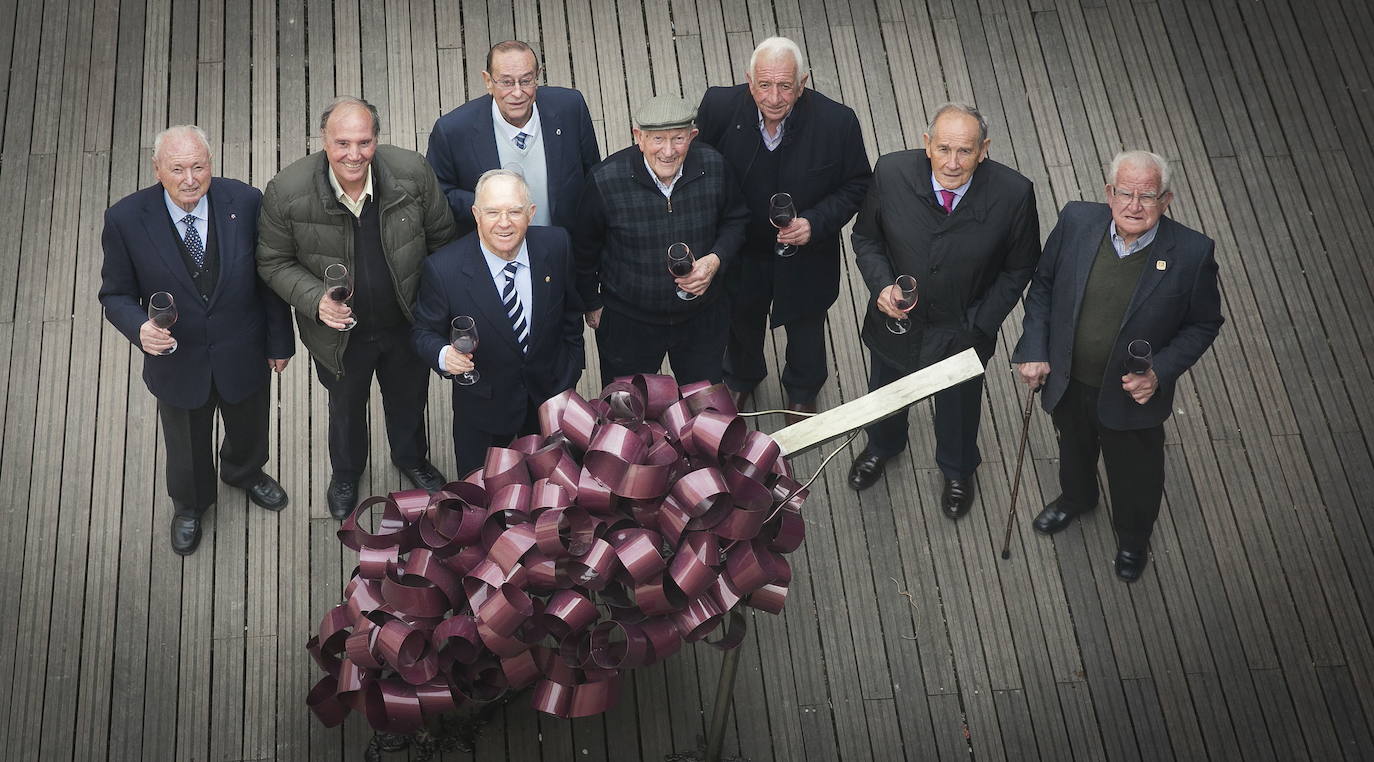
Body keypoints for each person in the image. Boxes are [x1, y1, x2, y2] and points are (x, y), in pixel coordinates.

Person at [1012, 150, 1223, 582]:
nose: (1134, 205)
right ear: (1109, 193)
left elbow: (1204, 323)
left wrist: (1160, 372)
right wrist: (1034, 347)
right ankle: (1077, 498)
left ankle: (1132, 538)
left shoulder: (1192, 253)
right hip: (1068, 379)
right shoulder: (1075, 221)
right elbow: (1043, 288)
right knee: (1073, 448)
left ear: (1166, 200)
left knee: (1136, 475)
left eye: (1147, 196)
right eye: (1125, 193)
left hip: (1132, 393)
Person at [257, 97, 457, 520]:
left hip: (406, 323)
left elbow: (443, 241)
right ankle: (346, 473)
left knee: (409, 399)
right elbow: (272, 261)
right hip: (337, 335)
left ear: (377, 140)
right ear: (323, 141)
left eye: (364, 142)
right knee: (345, 410)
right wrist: (315, 301)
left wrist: (436, 313)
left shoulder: (413, 173)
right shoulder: (286, 191)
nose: (354, 154)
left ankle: (411, 459)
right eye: (342, 142)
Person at [99, 125, 295, 555]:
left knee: (250, 424)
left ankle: (244, 473)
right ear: (157, 169)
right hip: (177, 359)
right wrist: (139, 328)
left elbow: (269, 275)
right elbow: (114, 294)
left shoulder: (244, 201)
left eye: (198, 166)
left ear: (211, 164)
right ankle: (190, 504)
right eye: (177, 168)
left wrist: (279, 342)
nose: (190, 178)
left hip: (243, 349)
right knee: (185, 445)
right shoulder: (125, 219)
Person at [847, 103, 1040, 521]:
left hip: (963, 331)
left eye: (965, 151)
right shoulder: (891, 173)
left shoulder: (1014, 193)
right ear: (927, 145)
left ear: (983, 149)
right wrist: (881, 287)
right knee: (886, 392)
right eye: (944, 149)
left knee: (960, 406)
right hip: (896, 322)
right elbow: (866, 238)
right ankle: (882, 445)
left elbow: (1020, 266)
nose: (953, 163)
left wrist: (979, 324)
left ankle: (957, 469)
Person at [696, 36, 871, 420]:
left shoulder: (838, 122)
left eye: (785, 86)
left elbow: (858, 183)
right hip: (742, 249)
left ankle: (804, 388)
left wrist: (816, 222)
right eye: (764, 85)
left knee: (807, 325)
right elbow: (698, 167)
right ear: (748, 80)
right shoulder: (719, 107)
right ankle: (741, 377)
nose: (774, 97)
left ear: (803, 83)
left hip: (807, 252)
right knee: (740, 319)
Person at [412, 170, 584, 476]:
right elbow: (423, 331)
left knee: (553, 485)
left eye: (514, 211)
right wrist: (443, 355)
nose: (504, 223)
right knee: (484, 496)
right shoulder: (443, 269)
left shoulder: (558, 245)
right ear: (476, 214)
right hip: (484, 409)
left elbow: (571, 313)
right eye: (493, 212)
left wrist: (569, 373)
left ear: (530, 213)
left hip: (549, 397)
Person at [573, 95, 749, 387]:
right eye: (657, 139)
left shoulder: (715, 167)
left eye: (678, 138)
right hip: (628, 323)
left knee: (704, 410)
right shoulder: (605, 180)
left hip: (702, 318)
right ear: (638, 138)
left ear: (692, 136)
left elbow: (737, 220)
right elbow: (583, 249)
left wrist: (716, 259)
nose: (668, 151)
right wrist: (592, 303)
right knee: (627, 412)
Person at [427, 40, 600, 237]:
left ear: (538, 77)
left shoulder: (570, 107)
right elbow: (439, 194)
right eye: (507, 82)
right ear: (488, 81)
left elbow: (593, 175)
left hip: (566, 249)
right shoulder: (453, 130)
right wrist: (491, 207)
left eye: (526, 81)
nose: (517, 93)